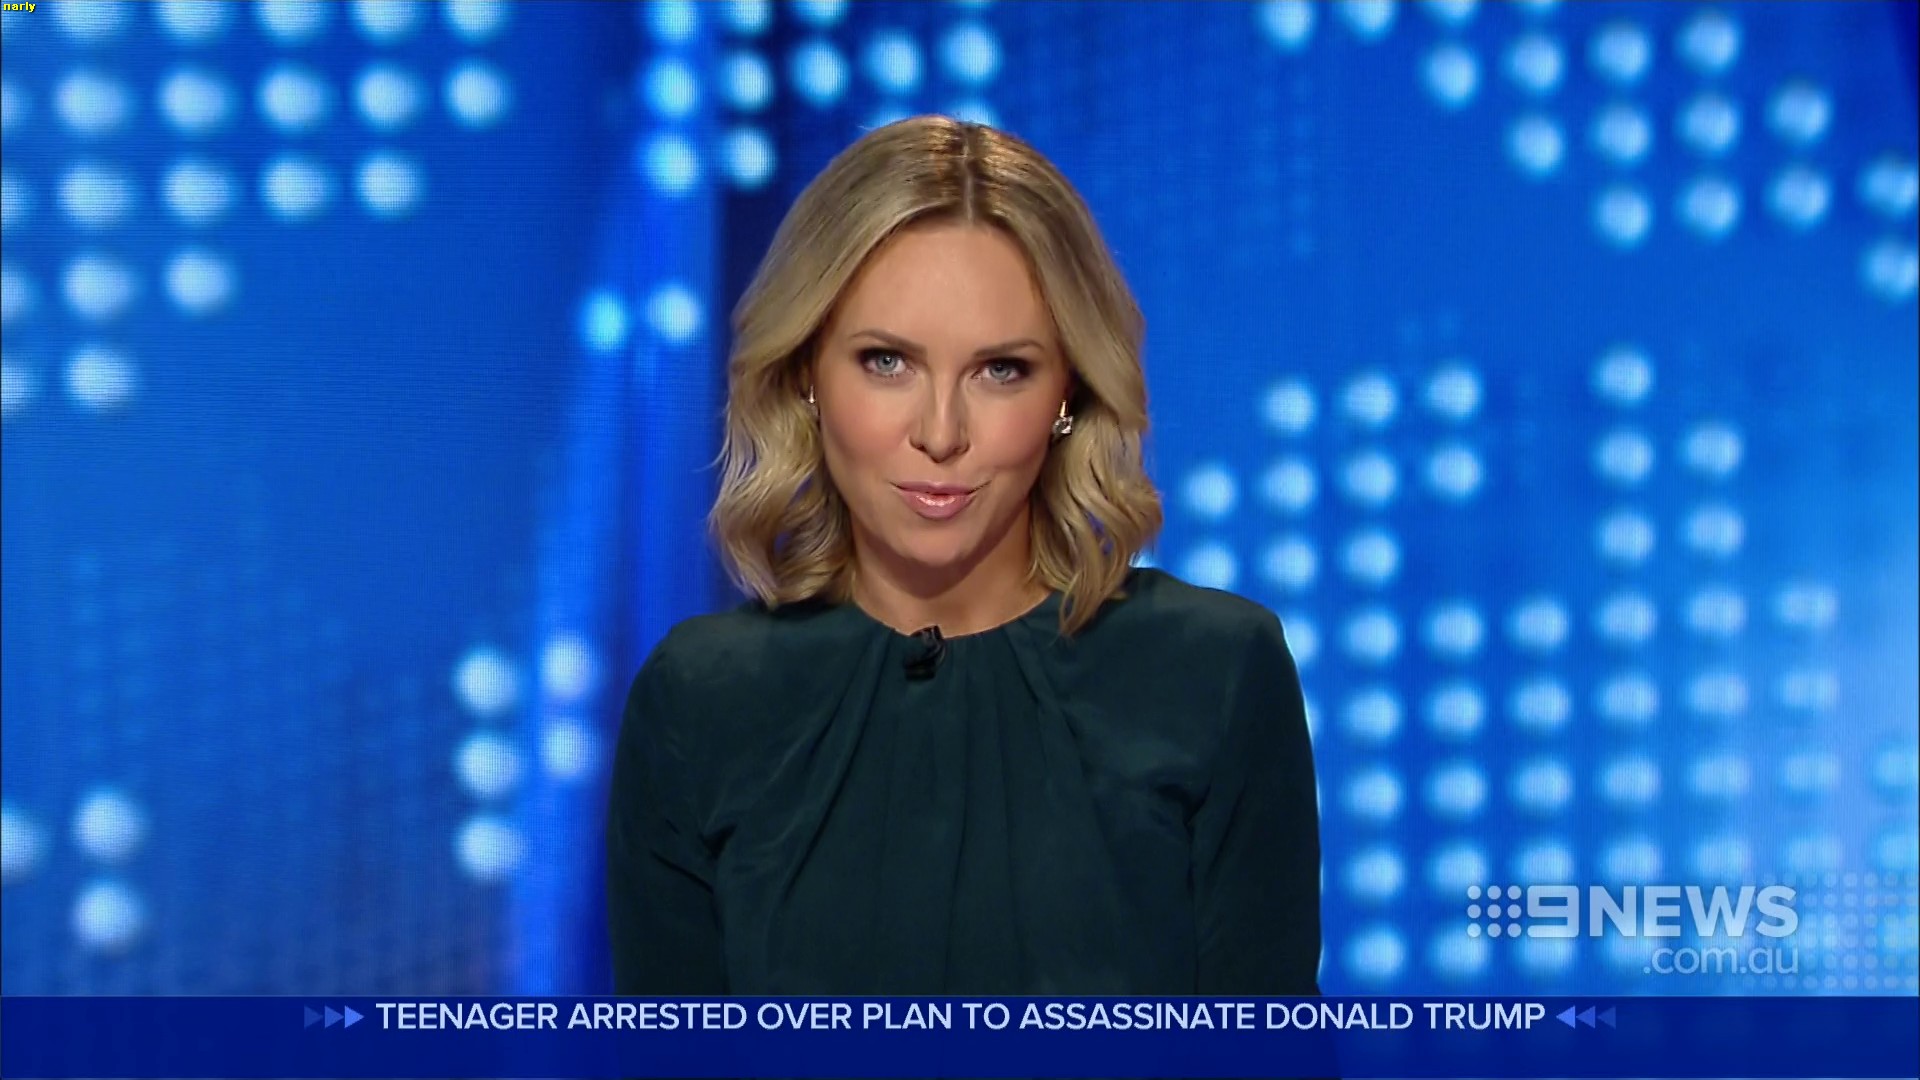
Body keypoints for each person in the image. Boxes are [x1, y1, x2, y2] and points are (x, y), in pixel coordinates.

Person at [605, 115, 1321, 998]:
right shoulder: (700, 702)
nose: (940, 434)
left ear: (1068, 394)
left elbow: (1265, 1050)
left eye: (1001, 370)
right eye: (886, 362)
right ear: (805, 376)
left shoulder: (1215, 672)